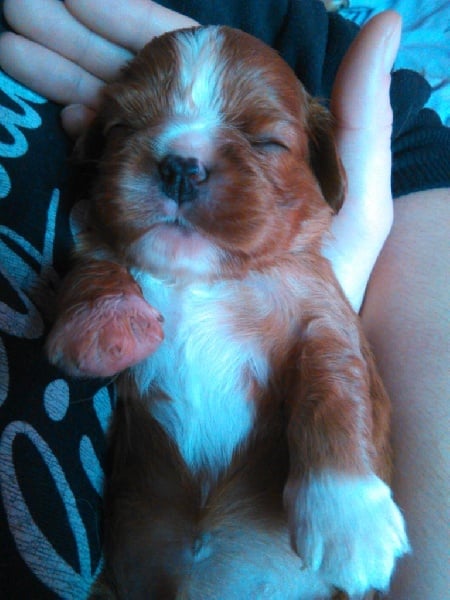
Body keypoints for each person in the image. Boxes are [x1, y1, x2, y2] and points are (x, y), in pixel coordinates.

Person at [0, 1, 448, 598]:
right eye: (128, 130)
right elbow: (91, 275)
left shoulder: (301, 272)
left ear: (324, 166)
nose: (184, 168)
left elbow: (336, 359)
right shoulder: (116, 249)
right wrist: (103, 300)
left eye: (265, 143)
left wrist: (341, 479)